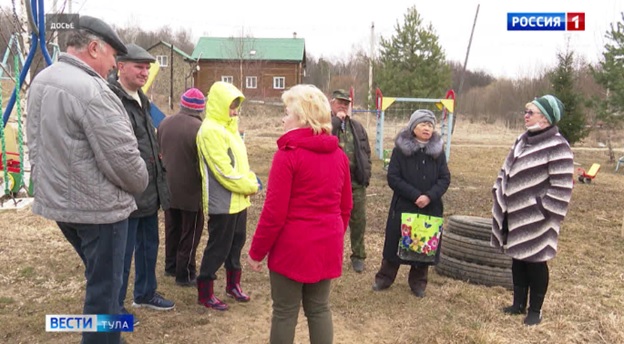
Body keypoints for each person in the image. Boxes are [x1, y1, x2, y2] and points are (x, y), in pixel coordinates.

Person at [26, 16, 147, 344]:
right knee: (105, 297)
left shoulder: (42, 79)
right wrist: (143, 180)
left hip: (62, 208)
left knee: (100, 282)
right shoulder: (93, 90)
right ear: (93, 48)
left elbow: (34, 143)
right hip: (100, 211)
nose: (113, 65)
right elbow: (125, 164)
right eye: (112, 56)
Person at [247, 84, 352, 344]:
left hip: (292, 247)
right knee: (319, 308)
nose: (283, 118)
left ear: (302, 119)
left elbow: (274, 213)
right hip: (327, 243)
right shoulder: (338, 155)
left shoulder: (288, 155)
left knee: (284, 312)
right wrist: (334, 233)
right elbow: (346, 206)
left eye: (287, 113)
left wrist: (257, 251)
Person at [491, 95, 574, 326]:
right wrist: (498, 189)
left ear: (546, 118)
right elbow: (506, 169)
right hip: (514, 213)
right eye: (525, 112)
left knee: (535, 262)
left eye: (531, 112)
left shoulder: (559, 146)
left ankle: (535, 310)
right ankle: (518, 304)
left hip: (539, 217)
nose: (525, 116)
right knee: (517, 258)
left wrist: (542, 209)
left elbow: (562, 186)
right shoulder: (522, 140)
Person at [109, 44, 175, 313]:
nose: (145, 72)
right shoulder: (113, 100)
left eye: (147, 67)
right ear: (120, 66)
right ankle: (116, 306)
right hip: (128, 193)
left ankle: (145, 293)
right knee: (121, 255)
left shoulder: (141, 99)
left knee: (149, 246)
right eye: (139, 66)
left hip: (150, 190)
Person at [372, 109, 450, 297]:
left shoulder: (438, 152)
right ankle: (385, 278)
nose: (427, 128)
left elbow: (444, 178)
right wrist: (415, 195)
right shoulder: (400, 150)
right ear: (413, 126)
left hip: (430, 206)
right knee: (395, 242)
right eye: (423, 124)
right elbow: (393, 177)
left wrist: (429, 196)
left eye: (430, 125)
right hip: (404, 205)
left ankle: (418, 283)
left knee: (423, 243)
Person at [195, 81, 259, 311]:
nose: (234, 111)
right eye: (231, 107)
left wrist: (249, 181)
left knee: (236, 244)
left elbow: (241, 165)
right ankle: (205, 291)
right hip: (222, 202)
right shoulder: (210, 131)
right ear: (219, 105)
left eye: (236, 107)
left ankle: (233, 285)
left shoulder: (230, 130)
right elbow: (223, 171)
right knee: (218, 247)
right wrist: (249, 185)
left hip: (239, 201)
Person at [157, 88, 206, 287]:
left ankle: (170, 266)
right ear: (200, 108)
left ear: (182, 104)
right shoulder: (201, 129)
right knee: (190, 232)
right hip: (191, 190)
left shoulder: (164, 123)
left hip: (168, 187)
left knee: (172, 228)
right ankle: (184, 273)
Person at [330, 89, 372, 273]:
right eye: (339, 102)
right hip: (332, 184)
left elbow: (366, 151)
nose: (343, 106)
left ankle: (358, 256)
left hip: (355, 182)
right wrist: (336, 120)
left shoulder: (356, 126)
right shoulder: (326, 124)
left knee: (359, 220)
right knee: (333, 222)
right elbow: (323, 136)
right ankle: (332, 255)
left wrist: (366, 173)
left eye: (346, 103)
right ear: (331, 103)